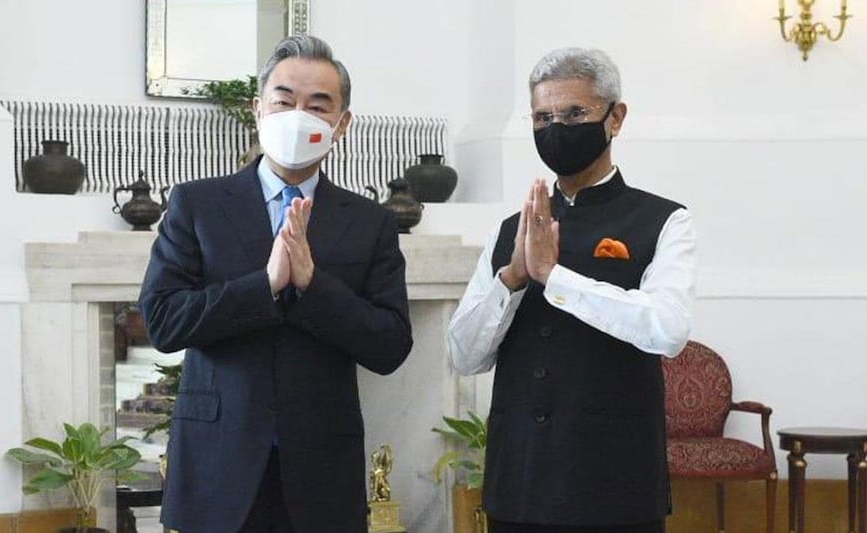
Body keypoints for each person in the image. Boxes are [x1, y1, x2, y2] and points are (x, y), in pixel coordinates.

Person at [139, 35, 413, 533]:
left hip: (322, 470)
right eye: (284, 100)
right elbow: (163, 322)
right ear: (259, 108)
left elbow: (391, 344)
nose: (297, 114)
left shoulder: (371, 221)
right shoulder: (197, 205)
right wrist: (262, 286)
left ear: (342, 124)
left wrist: (313, 285)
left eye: (317, 105)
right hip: (217, 464)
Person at [447, 48, 696, 533]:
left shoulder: (665, 220)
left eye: (574, 114)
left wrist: (556, 278)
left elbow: (668, 329)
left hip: (616, 487)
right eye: (542, 117)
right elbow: (463, 355)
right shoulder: (509, 230)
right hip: (520, 486)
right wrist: (513, 278)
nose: (556, 128)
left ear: (615, 117)